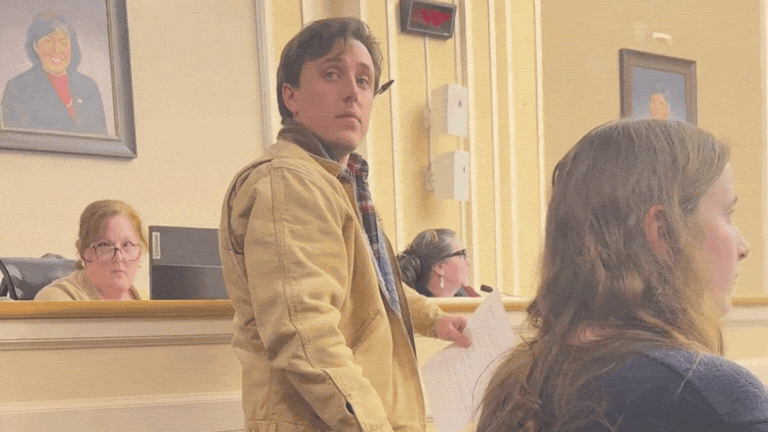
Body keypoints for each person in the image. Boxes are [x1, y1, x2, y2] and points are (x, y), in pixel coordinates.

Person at [219, 17, 471, 432]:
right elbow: (305, 333)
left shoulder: (335, 181)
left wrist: (434, 318)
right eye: (332, 74)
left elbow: (373, 287)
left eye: (364, 80)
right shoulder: (290, 181)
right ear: (290, 96)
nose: (352, 92)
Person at [476, 119, 768, 432]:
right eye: (728, 214)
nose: (743, 247)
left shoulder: (516, 383)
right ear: (665, 232)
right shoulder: (709, 396)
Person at [2, 10, 108, 134]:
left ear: (71, 47)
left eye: (63, 42)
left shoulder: (88, 86)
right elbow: (22, 141)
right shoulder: (18, 88)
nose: (57, 50)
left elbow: (102, 138)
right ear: (35, 46)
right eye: (47, 41)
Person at [35, 199, 145, 301]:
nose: (119, 257)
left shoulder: (148, 299)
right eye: (104, 245)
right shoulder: (55, 300)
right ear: (83, 252)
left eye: (127, 245)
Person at [397, 228, 480, 297]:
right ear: (439, 267)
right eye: (462, 254)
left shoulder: (468, 296)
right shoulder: (417, 306)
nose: (468, 262)